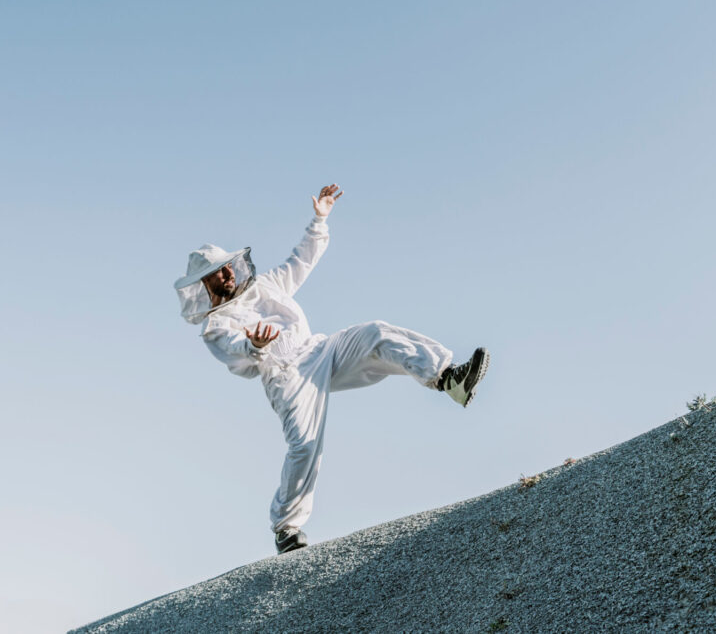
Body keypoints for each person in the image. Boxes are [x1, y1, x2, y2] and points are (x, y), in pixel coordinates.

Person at [174, 184, 489, 555]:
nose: (226, 273)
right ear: (204, 284)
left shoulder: (265, 286)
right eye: (217, 272)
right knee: (305, 446)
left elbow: (301, 260)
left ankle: (447, 378)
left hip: (321, 349)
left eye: (226, 266)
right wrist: (253, 345)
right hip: (287, 377)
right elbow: (230, 350)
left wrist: (319, 218)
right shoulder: (214, 326)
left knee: (375, 332)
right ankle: (286, 528)